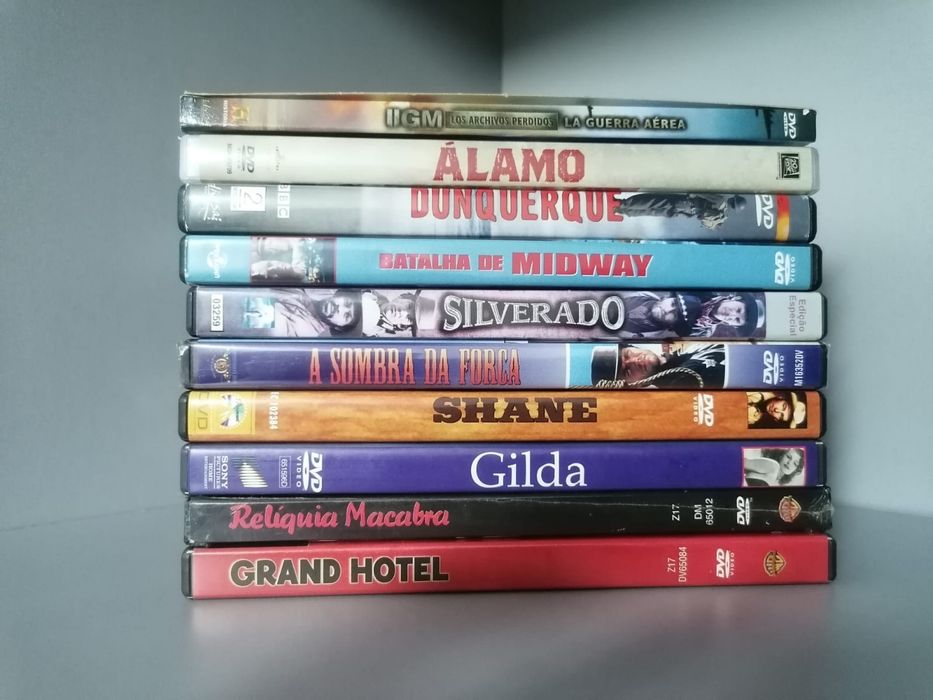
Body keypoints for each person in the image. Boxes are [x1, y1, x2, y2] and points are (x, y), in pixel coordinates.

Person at [591, 343, 726, 388]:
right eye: (627, 371)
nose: (634, 361)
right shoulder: (679, 383)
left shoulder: (684, 348)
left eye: (628, 354)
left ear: (634, 346)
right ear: (634, 385)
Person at [614, 193, 747, 230]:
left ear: (733, 199)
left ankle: (623, 203)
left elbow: (700, 193)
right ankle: (625, 211)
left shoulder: (720, 201)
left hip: (685, 203)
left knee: (653, 201)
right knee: (653, 211)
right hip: (686, 213)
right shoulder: (723, 215)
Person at [620, 292, 702, 338]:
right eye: (672, 303)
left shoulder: (645, 337)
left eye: (675, 314)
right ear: (666, 297)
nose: (667, 310)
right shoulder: (644, 294)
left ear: (672, 325)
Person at [692, 293, 763, 338]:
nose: (731, 315)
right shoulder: (708, 289)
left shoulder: (703, 334)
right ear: (735, 298)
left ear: (731, 324)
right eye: (738, 310)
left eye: (737, 320)